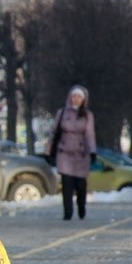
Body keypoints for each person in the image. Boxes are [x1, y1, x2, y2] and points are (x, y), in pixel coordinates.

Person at [49, 85, 96, 220]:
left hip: (81, 154)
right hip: (64, 153)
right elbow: (54, 132)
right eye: (74, 96)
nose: (76, 99)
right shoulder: (62, 113)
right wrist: (48, 151)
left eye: (79, 97)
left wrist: (92, 151)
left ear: (83, 99)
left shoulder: (87, 115)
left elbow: (90, 134)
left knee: (81, 185)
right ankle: (67, 212)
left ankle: (81, 207)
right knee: (67, 184)